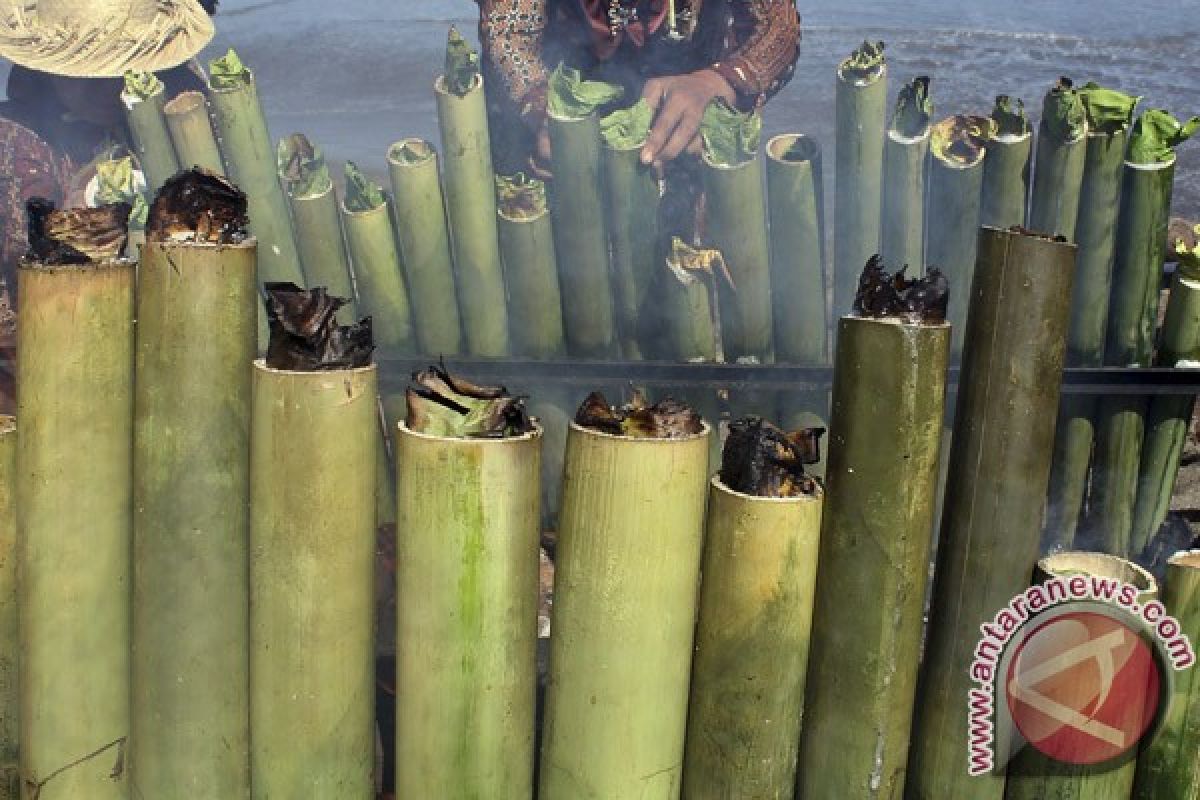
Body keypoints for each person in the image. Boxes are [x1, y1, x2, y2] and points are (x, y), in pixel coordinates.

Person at [0, 0, 217, 412]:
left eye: (124, 69)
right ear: (49, 70)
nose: (109, 86)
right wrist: (82, 209)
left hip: (168, 340)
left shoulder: (176, 107)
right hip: (39, 362)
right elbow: (34, 283)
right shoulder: (16, 140)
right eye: (91, 75)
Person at [478, 0, 802, 174]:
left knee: (686, 272)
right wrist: (539, 106)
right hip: (559, 136)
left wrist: (719, 82)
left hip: (688, 119)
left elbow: (777, 26)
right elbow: (508, 33)